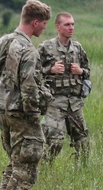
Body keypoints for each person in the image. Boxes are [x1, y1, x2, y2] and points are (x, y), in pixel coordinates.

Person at [0, 0, 51, 190]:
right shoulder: (28, 50)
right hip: (21, 114)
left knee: (15, 163)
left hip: (1, 110)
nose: (45, 28)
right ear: (35, 22)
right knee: (27, 168)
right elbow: (28, 86)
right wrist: (34, 115)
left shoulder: (1, 43)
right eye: (44, 23)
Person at [38, 12, 92, 164]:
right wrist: (50, 70)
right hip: (54, 101)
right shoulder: (46, 47)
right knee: (54, 142)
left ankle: (82, 172)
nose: (71, 28)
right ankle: (45, 168)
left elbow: (88, 71)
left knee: (83, 143)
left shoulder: (77, 48)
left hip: (75, 102)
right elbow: (32, 72)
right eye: (67, 24)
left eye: (73, 24)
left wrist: (81, 72)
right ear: (57, 27)